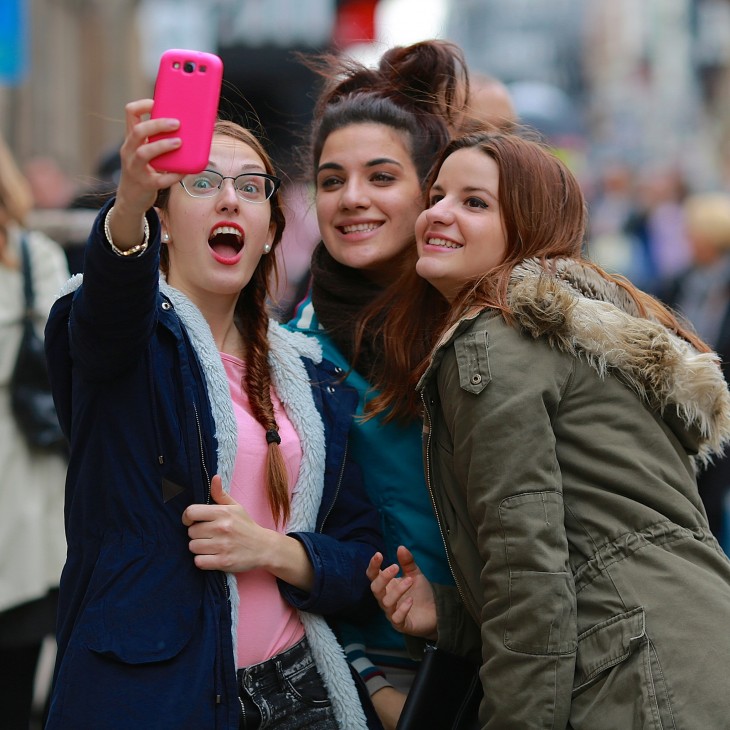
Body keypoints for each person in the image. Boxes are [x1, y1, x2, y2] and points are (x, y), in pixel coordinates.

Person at [367, 131, 730, 728]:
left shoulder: (492, 340)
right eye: (437, 195)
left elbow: (527, 577)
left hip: (639, 679)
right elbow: (597, 542)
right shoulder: (568, 338)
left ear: (527, 228)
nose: (438, 213)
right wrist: (451, 616)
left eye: (474, 202)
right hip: (691, 649)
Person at [43, 99, 384, 730]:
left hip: (298, 689)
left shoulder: (313, 377)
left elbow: (361, 554)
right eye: (201, 183)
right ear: (163, 221)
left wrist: (273, 551)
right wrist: (129, 205)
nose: (229, 199)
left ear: (271, 229)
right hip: (157, 693)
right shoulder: (124, 344)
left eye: (251, 188)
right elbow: (110, 310)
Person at [286, 39, 470, 729]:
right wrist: (373, 680)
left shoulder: (495, 320)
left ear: (431, 191)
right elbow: (310, 534)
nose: (351, 199)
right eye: (331, 181)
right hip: (380, 671)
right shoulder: (296, 350)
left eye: (381, 177)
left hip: (518, 648)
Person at [0, 134, 69, 728]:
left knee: (17, 684)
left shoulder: (33, 257)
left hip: (23, 494)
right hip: (25, 505)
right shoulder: (35, 257)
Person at [657, 191, 730, 551]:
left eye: (692, 232)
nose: (687, 239)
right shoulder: (678, 282)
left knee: (715, 503)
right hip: (682, 408)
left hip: (724, 410)